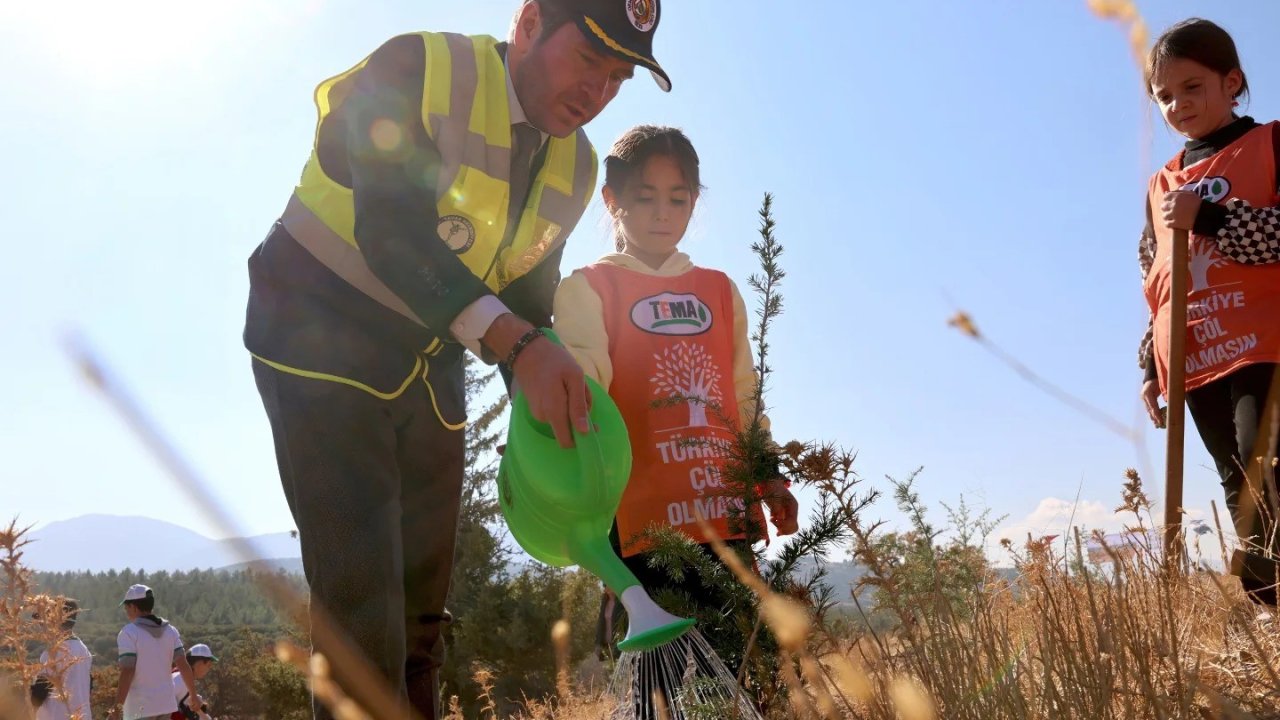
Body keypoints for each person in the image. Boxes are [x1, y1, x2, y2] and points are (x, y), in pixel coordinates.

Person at [242, 1, 672, 716]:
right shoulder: (416, 67)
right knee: (362, 607)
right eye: (589, 60)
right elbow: (393, 234)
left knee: (420, 616)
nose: (598, 91)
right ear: (530, 23)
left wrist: (558, 404)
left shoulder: (577, 162)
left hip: (429, 359)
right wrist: (522, 347)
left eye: (618, 76)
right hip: (316, 337)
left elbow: (524, 298)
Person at [554, 126, 800, 663]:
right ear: (612, 199)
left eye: (678, 199)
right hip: (639, 532)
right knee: (658, 685)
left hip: (724, 516)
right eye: (644, 198)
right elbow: (583, 393)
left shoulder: (719, 289)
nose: (662, 213)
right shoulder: (587, 289)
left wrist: (769, 473)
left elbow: (742, 391)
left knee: (749, 674)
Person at [1138, 18, 1280, 609]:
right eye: (1164, 96)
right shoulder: (1159, 184)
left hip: (1263, 341)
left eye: (1192, 87)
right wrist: (1151, 363)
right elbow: (1156, 279)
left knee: (1266, 467)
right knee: (1237, 487)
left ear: (1232, 81)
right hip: (1195, 356)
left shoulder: (1271, 144)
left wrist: (1214, 218)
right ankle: (1272, 610)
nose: (1178, 104)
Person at [112, 585, 201, 720]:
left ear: (133, 607)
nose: (126, 611)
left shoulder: (128, 633)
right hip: (166, 705)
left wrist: (117, 709)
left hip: (139, 707)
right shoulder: (171, 631)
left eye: (126, 607)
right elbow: (183, 664)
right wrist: (193, 695)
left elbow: (128, 671)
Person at [32, 599, 93, 720]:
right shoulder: (84, 651)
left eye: (44, 621)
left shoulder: (53, 653)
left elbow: (39, 693)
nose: (42, 626)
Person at [170, 644, 218, 720]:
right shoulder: (180, 679)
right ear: (198, 663)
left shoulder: (185, 681)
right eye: (208, 665)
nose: (209, 669)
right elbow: (159, 702)